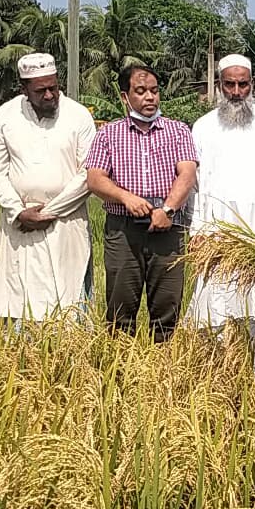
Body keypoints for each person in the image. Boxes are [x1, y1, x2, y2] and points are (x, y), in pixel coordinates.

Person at [86, 65, 198, 342]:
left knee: (167, 306)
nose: (150, 98)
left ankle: (161, 373)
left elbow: (187, 174)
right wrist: (126, 198)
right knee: (120, 306)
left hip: (168, 228)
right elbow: (95, 179)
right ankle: (120, 371)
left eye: (154, 91)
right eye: (141, 91)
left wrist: (168, 209)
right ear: (125, 97)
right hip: (124, 230)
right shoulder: (109, 134)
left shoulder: (177, 131)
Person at [0, 53, 96, 323]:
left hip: (65, 223)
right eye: (40, 90)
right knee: (20, 301)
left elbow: (88, 173)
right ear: (24, 90)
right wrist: (18, 212)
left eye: (53, 88)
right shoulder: (6, 115)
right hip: (20, 225)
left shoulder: (78, 115)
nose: (49, 95)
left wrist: (48, 212)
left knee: (68, 301)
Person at [186, 54, 255, 349]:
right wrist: (196, 230)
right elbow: (195, 184)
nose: (237, 91)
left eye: (243, 84)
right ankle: (214, 378)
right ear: (219, 85)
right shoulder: (202, 126)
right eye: (230, 84)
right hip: (214, 230)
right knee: (212, 310)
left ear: (252, 85)